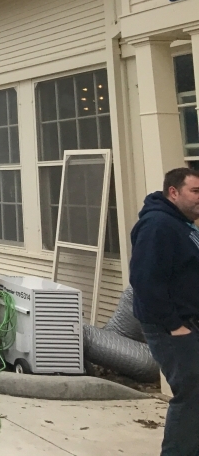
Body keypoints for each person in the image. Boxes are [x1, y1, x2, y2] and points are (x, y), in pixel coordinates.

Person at [129, 167, 199, 456]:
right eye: (195, 191)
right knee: (191, 393)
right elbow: (144, 280)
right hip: (170, 328)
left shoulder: (181, 224)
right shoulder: (158, 225)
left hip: (186, 322)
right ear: (174, 192)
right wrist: (174, 325)